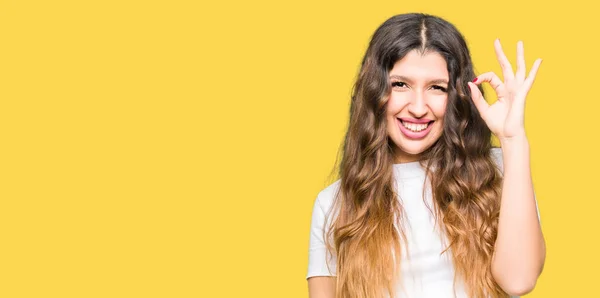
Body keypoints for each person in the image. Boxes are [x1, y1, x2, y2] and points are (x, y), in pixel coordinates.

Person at [305, 13, 545, 298]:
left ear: (457, 96)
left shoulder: (498, 171)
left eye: (436, 88)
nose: (418, 108)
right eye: (400, 85)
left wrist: (512, 140)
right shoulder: (334, 203)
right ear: (374, 91)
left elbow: (518, 280)